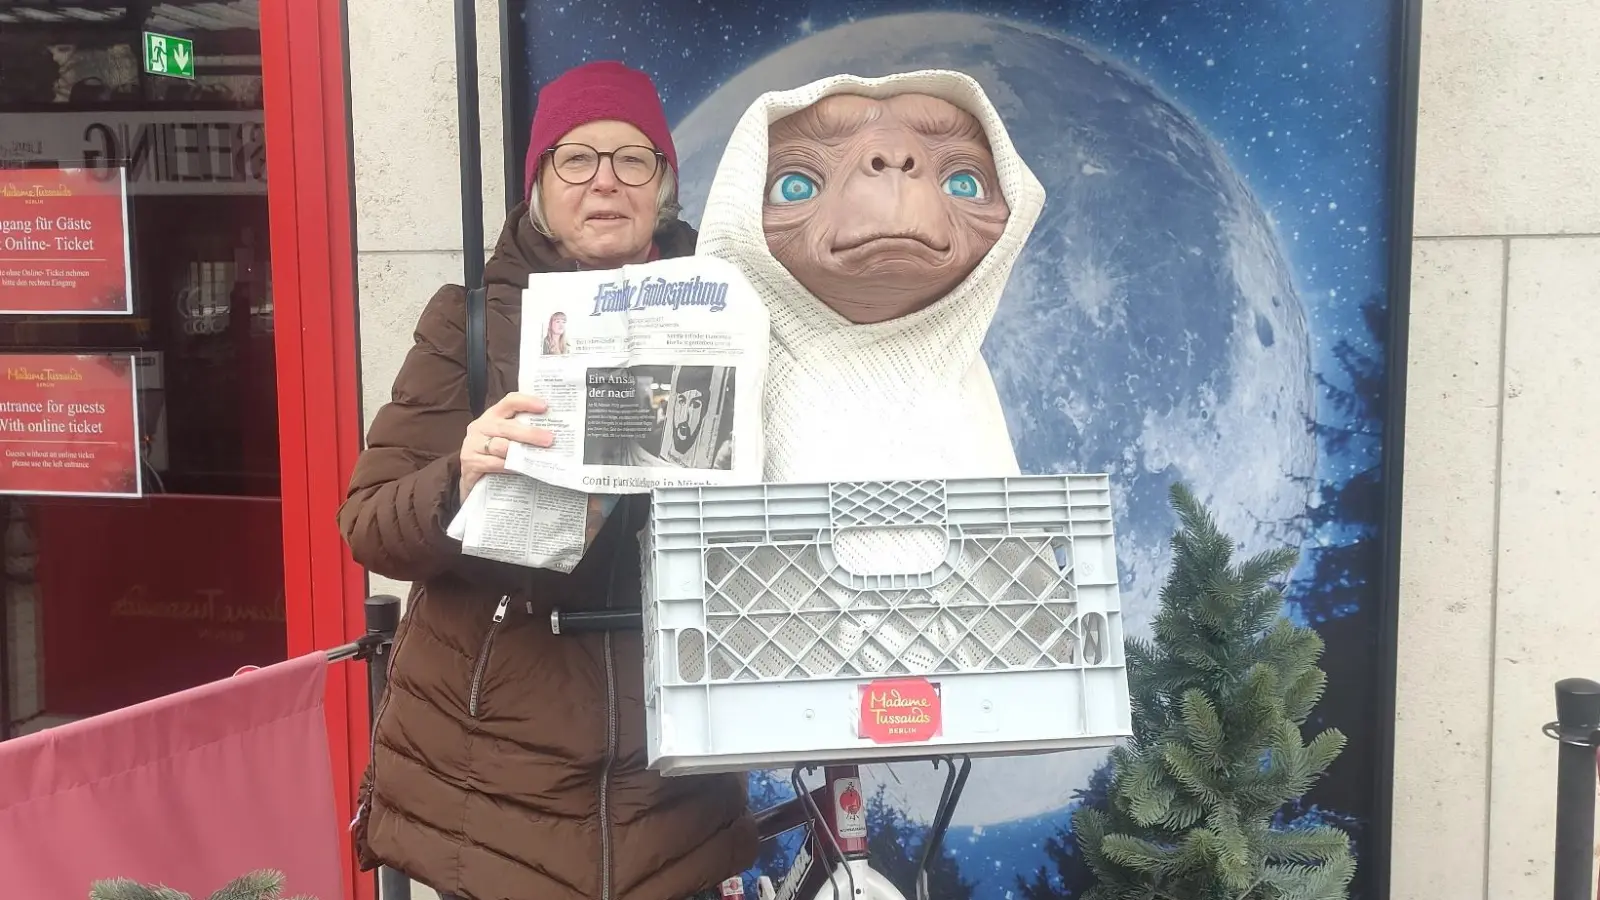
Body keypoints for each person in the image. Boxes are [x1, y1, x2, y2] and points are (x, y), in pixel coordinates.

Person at [338, 60, 757, 900]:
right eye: (576, 158)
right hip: (491, 779)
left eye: (633, 159)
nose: (605, 180)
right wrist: (458, 477)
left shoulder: (732, 315)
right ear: (540, 183)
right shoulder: (470, 323)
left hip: (668, 766)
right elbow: (368, 525)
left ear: (664, 186)